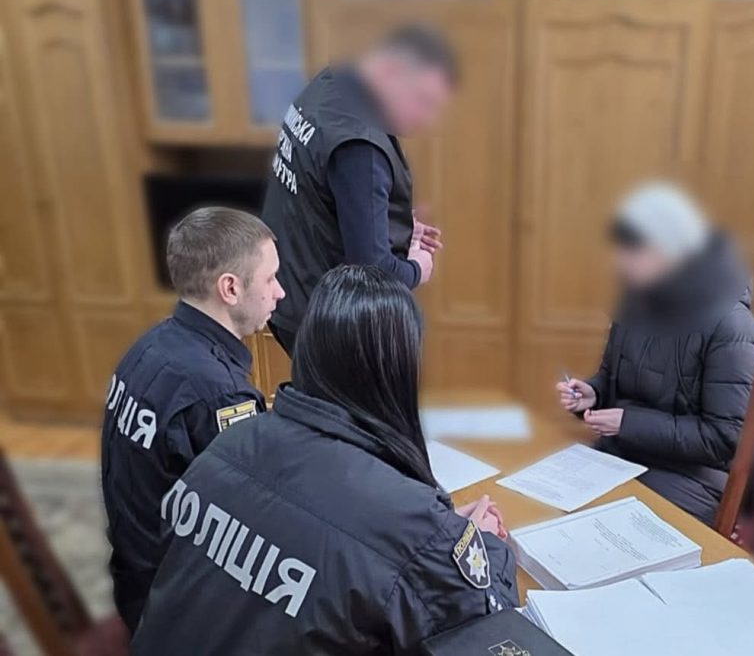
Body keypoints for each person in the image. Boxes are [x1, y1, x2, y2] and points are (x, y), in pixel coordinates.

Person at [133, 266, 517, 655]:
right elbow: (486, 632)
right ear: (399, 370)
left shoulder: (231, 441)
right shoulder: (411, 528)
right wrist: (482, 546)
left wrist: (431, 540)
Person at [100, 207, 285, 633]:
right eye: (271, 278)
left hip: (137, 575)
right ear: (230, 288)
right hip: (179, 610)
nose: (280, 293)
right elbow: (261, 521)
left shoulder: (149, 347)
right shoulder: (218, 394)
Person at [556, 183, 754, 526]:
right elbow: (613, 380)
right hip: (623, 457)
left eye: (633, 252)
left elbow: (726, 438)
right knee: (548, 512)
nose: (620, 263)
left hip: (692, 480)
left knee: (595, 528)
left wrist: (628, 423)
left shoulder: (730, 326)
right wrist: (592, 394)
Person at [260, 24, 456, 356]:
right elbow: (373, 271)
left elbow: (322, 187)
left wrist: (386, 225)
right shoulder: (361, 146)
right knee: (351, 393)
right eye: (422, 100)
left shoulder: (334, 82)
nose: (427, 119)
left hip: (289, 287)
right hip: (326, 321)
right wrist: (417, 268)